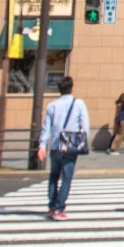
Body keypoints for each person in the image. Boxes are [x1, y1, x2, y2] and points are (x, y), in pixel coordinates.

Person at [40, 78, 88, 221]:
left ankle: (52, 206)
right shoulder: (79, 104)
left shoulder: (52, 105)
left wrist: (42, 145)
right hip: (69, 146)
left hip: (54, 146)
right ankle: (59, 208)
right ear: (71, 88)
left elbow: (45, 128)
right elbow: (85, 125)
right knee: (66, 177)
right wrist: (83, 140)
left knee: (54, 176)